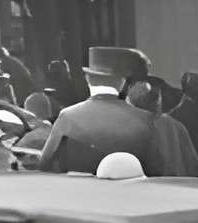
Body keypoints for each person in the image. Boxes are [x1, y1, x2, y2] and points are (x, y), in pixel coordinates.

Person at [34, 51, 169, 176]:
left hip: (80, 197)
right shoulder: (146, 120)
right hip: (129, 198)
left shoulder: (68, 117)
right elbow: (157, 170)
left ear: (87, 79)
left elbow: (45, 164)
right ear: (122, 82)